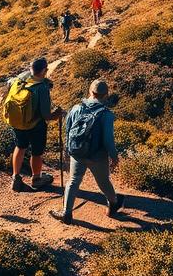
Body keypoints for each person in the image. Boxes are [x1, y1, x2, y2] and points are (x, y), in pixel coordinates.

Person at [50, 79, 124, 225]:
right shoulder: (106, 114)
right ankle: (114, 203)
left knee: (73, 180)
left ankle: (66, 212)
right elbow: (108, 140)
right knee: (103, 181)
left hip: (77, 153)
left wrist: (67, 151)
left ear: (90, 92)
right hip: (97, 156)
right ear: (106, 95)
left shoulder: (76, 108)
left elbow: (68, 131)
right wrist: (114, 157)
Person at [8, 57, 64, 192]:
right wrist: (56, 114)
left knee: (20, 147)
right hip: (36, 125)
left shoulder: (20, 79)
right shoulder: (41, 88)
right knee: (37, 152)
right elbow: (46, 115)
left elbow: (9, 84)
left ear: (31, 69)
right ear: (45, 70)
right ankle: (36, 179)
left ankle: (16, 178)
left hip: (17, 123)